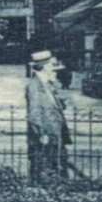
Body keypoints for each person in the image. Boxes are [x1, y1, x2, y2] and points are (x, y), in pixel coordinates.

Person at [26, 50, 71, 182]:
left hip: (55, 131)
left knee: (57, 162)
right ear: (44, 67)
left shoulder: (47, 83)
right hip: (46, 134)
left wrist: (59, 98)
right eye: (52, 66)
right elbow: (34, 112)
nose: (54, 69)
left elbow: (53, 105)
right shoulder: (34, 85)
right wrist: (41, 133)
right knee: (44, 165)